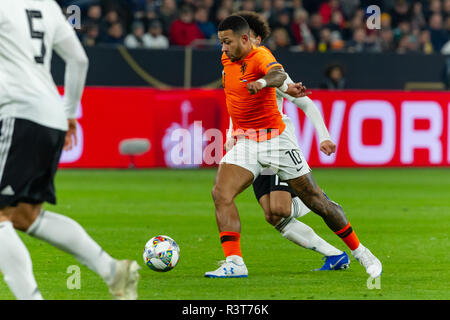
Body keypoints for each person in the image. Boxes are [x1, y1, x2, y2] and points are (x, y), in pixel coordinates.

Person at [205, 14, 382, 279]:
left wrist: (266, 83)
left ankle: (362, 252)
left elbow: (276, 74)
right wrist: (232, 132)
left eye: (227, 42)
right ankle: (235, 262)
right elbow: (236, 99)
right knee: (222, 194)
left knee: (316, 201)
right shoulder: (227, 59)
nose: (223, 48)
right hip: (246, 141)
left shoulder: (261, 56)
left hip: (276, 140)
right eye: (221, 43)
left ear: (246, 39)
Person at [0, 0, 140, 300]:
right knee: (25, 215)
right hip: (50, 112)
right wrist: (69, 113)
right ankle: (112, 270)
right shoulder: (48, 6)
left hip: (18, 111)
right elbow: (79, 60)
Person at [222, 11, 350, 272]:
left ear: (252, 39)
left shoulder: (269, 68)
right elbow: (237, 107)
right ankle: (335, 255)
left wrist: (324, 137)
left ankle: (315, 198)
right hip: (251, 145)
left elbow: (304, 102)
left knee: (280, 207)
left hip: (277, 144)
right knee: (272, 216)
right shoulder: (233, 65)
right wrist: (229, 135)